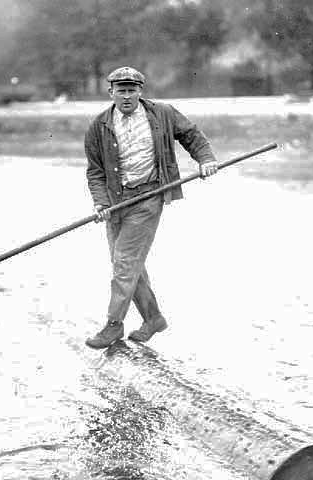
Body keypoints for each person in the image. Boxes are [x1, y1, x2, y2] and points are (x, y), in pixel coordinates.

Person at [84, 66, 218, 349]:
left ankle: (113, 325)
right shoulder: (99, 126)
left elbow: (191, 135)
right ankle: (153, 318)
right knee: (129, 266)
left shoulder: (162, 113)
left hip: (149, 197)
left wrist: (205, 159)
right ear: (111, 93)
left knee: (124, 263)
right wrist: (100, 202)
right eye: (121, 91)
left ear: (141, 92)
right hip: (116, 202)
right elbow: (95, 171)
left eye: (132, 90)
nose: (127, 96)